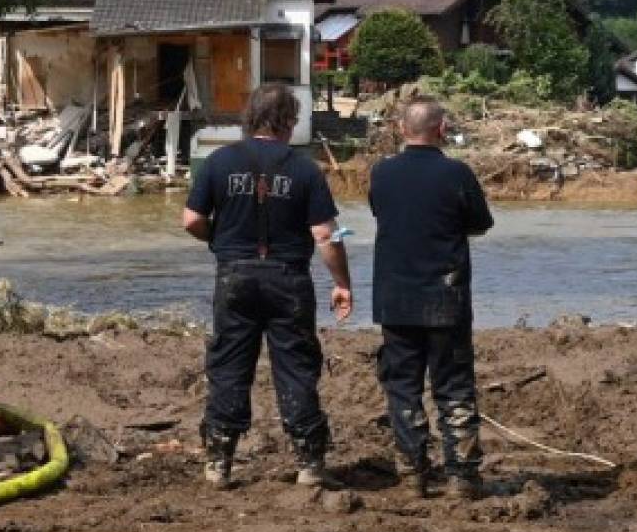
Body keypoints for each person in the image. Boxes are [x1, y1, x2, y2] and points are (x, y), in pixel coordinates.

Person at [183, 83, 353, 490]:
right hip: (288, 278)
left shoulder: (218, 161)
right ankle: (309, 463)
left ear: (250, 117)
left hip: (235, 275)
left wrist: (217, 239)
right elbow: (325, 236)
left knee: (228, 366)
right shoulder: (304, 169)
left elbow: (190, 219)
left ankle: (219, 463)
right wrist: (342, 284)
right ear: (289, 122)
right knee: (296, 367)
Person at [368, 97, 494, 498]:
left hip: (396, 299)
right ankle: (460, 477)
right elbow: (480, 224)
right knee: (454, 387)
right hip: (446, 296)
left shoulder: (382, 174)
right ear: (441, 129)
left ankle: (412, 475)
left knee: (402, 387)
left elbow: (380, 212)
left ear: (402, 130)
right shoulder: (456, 173)